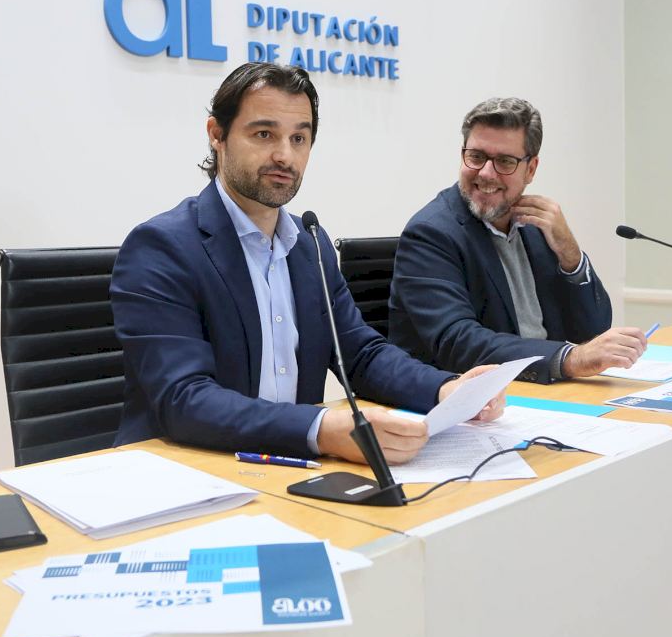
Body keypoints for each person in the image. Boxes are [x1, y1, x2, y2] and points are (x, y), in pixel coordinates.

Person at [111, 63, 503, 464]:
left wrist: (445, 389)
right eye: (264, 134)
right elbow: (184, 399)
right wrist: (321, 429)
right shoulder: (162, 248)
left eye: (299, 138)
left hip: (285, 468)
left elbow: (361, 355)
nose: (285, 155)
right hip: (188, 470)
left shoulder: (308, 243)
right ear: (217, 134)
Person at [389, 97, 646, 384]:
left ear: (531, 169)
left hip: (540, 391)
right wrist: (570, 359)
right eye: (476, 156)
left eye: (505, 161)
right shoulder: (430, 233)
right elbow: (458, 342)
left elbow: (593, 331)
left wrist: (570, 255)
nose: (486, 173)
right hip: (464, 396)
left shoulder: (536, 226)